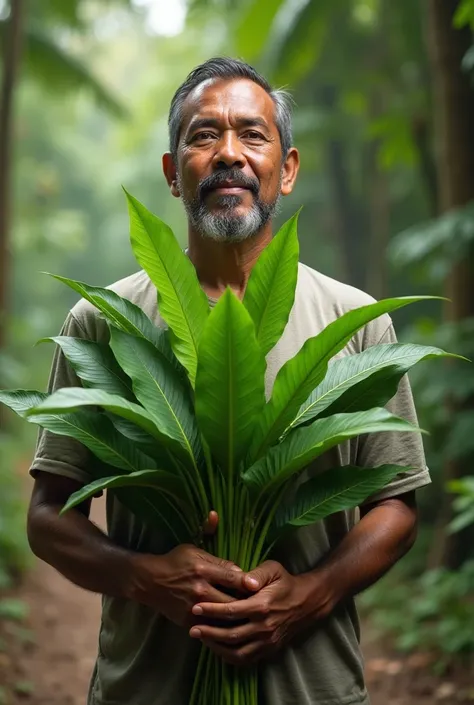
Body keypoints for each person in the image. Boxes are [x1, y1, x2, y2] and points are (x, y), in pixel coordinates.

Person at [27, 57, 430, 705]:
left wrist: (309, 593)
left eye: (252, 134)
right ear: (170, 171)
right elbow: (47, 518)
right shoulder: (102, 324)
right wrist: (145, 578)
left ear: (288, 168)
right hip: (146, 689)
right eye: (203, 135)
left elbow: (397, 507)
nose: (229, 154)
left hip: (312, 689)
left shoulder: (355, 323)